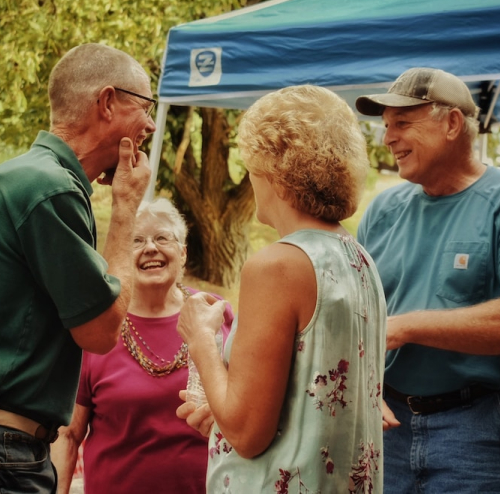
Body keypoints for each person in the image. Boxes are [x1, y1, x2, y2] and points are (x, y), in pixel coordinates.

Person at [176, 84, 387, 493]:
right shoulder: (359, 259)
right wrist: (220, 408)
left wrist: (200, 337)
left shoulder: (276, 266)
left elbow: (247, 432)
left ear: (273, 168)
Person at [0, 43, 154, 492]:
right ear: (106, 103)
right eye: (145, 108)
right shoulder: (50, 188)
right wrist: (125, 206)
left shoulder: (22, 175)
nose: (149, 125)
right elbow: (101, 332)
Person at [355, 67, 500, 493]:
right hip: (385, 427)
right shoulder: (382, 211)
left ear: (452, 123)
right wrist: (366, 385)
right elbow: (353, 314)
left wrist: (405, 327)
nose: (388, 138)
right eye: (385, 126)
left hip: (476, 432)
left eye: (402, 123)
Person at [51, 197, 234, 494]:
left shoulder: (215, 312)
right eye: (137, 241)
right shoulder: (97, 328)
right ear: (123, 256)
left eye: (162, 237)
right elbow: (69, 434)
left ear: (184, 253)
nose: (151, 248)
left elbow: (248, 407)